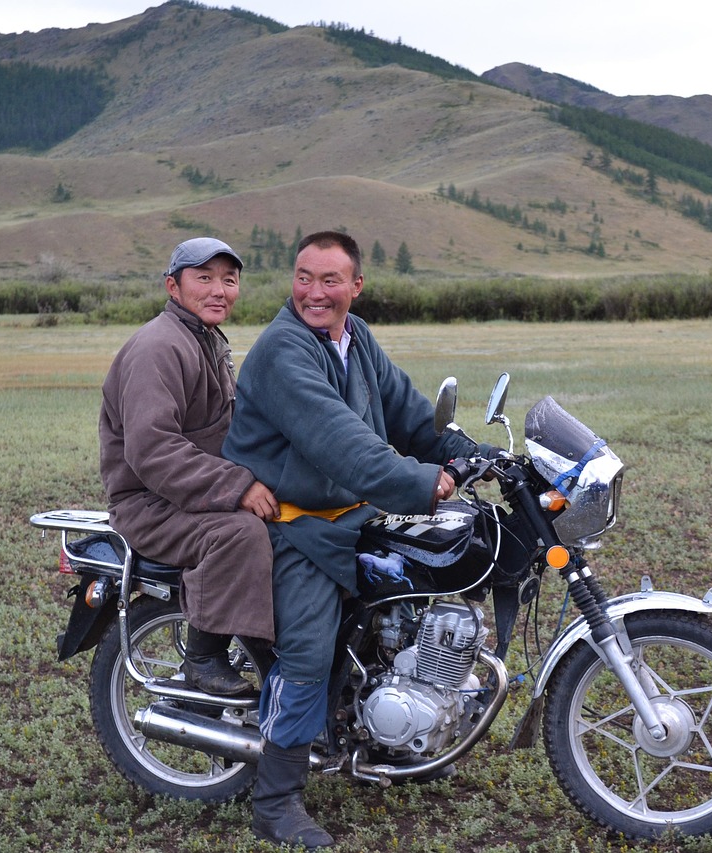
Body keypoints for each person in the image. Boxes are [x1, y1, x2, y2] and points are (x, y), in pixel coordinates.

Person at [223, 231, 488, 848]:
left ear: (356, 286)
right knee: (309, 651)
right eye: (304, 278)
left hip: (347, 514)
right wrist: (425, 483)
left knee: (406, 597)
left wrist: (469, 453)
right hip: (294, 522)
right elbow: (346, 445)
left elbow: (409, 416)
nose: (315, 292)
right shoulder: (284, 351)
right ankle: (277, 801)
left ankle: (390, 727)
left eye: (330, 280)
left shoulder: (355, 337)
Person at [99, 237, 278, 698]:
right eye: (204, 278)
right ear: (173, 286)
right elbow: (153, 449)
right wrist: (238, 486)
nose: (219, 290)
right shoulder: (159, 346)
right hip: (150, 503)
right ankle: (203, 658)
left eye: (229, 279)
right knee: (239, 533)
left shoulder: (202, 338)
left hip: (188, 495)